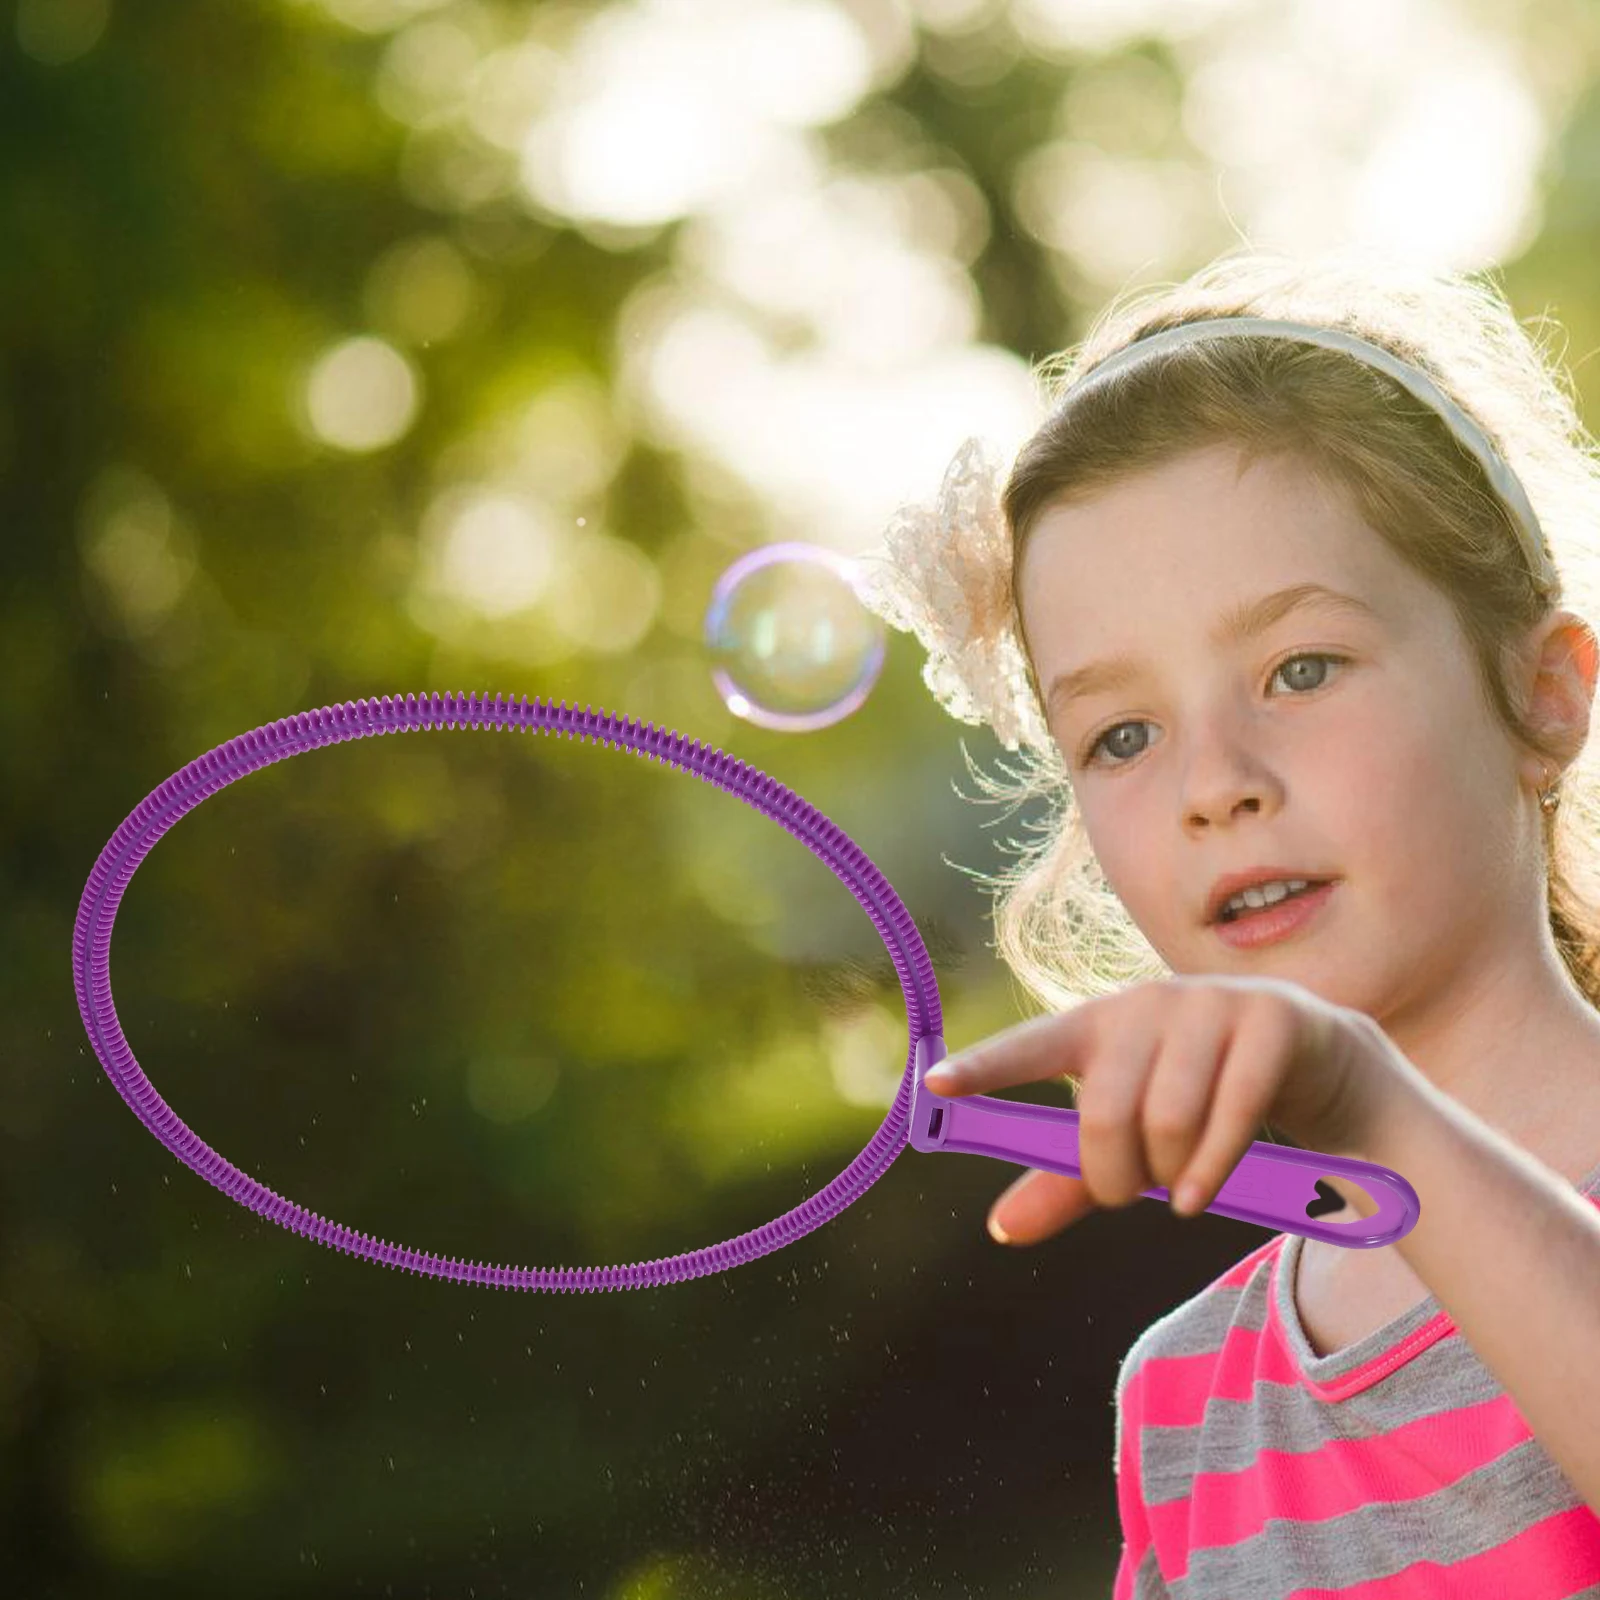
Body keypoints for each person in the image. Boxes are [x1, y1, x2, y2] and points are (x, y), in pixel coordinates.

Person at [858, 244, 1600, 1596]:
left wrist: (1382, 1117)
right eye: (1124, 734)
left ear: (1544, 692)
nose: (1215, 785)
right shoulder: (1185, 1404)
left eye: (1300, 669)